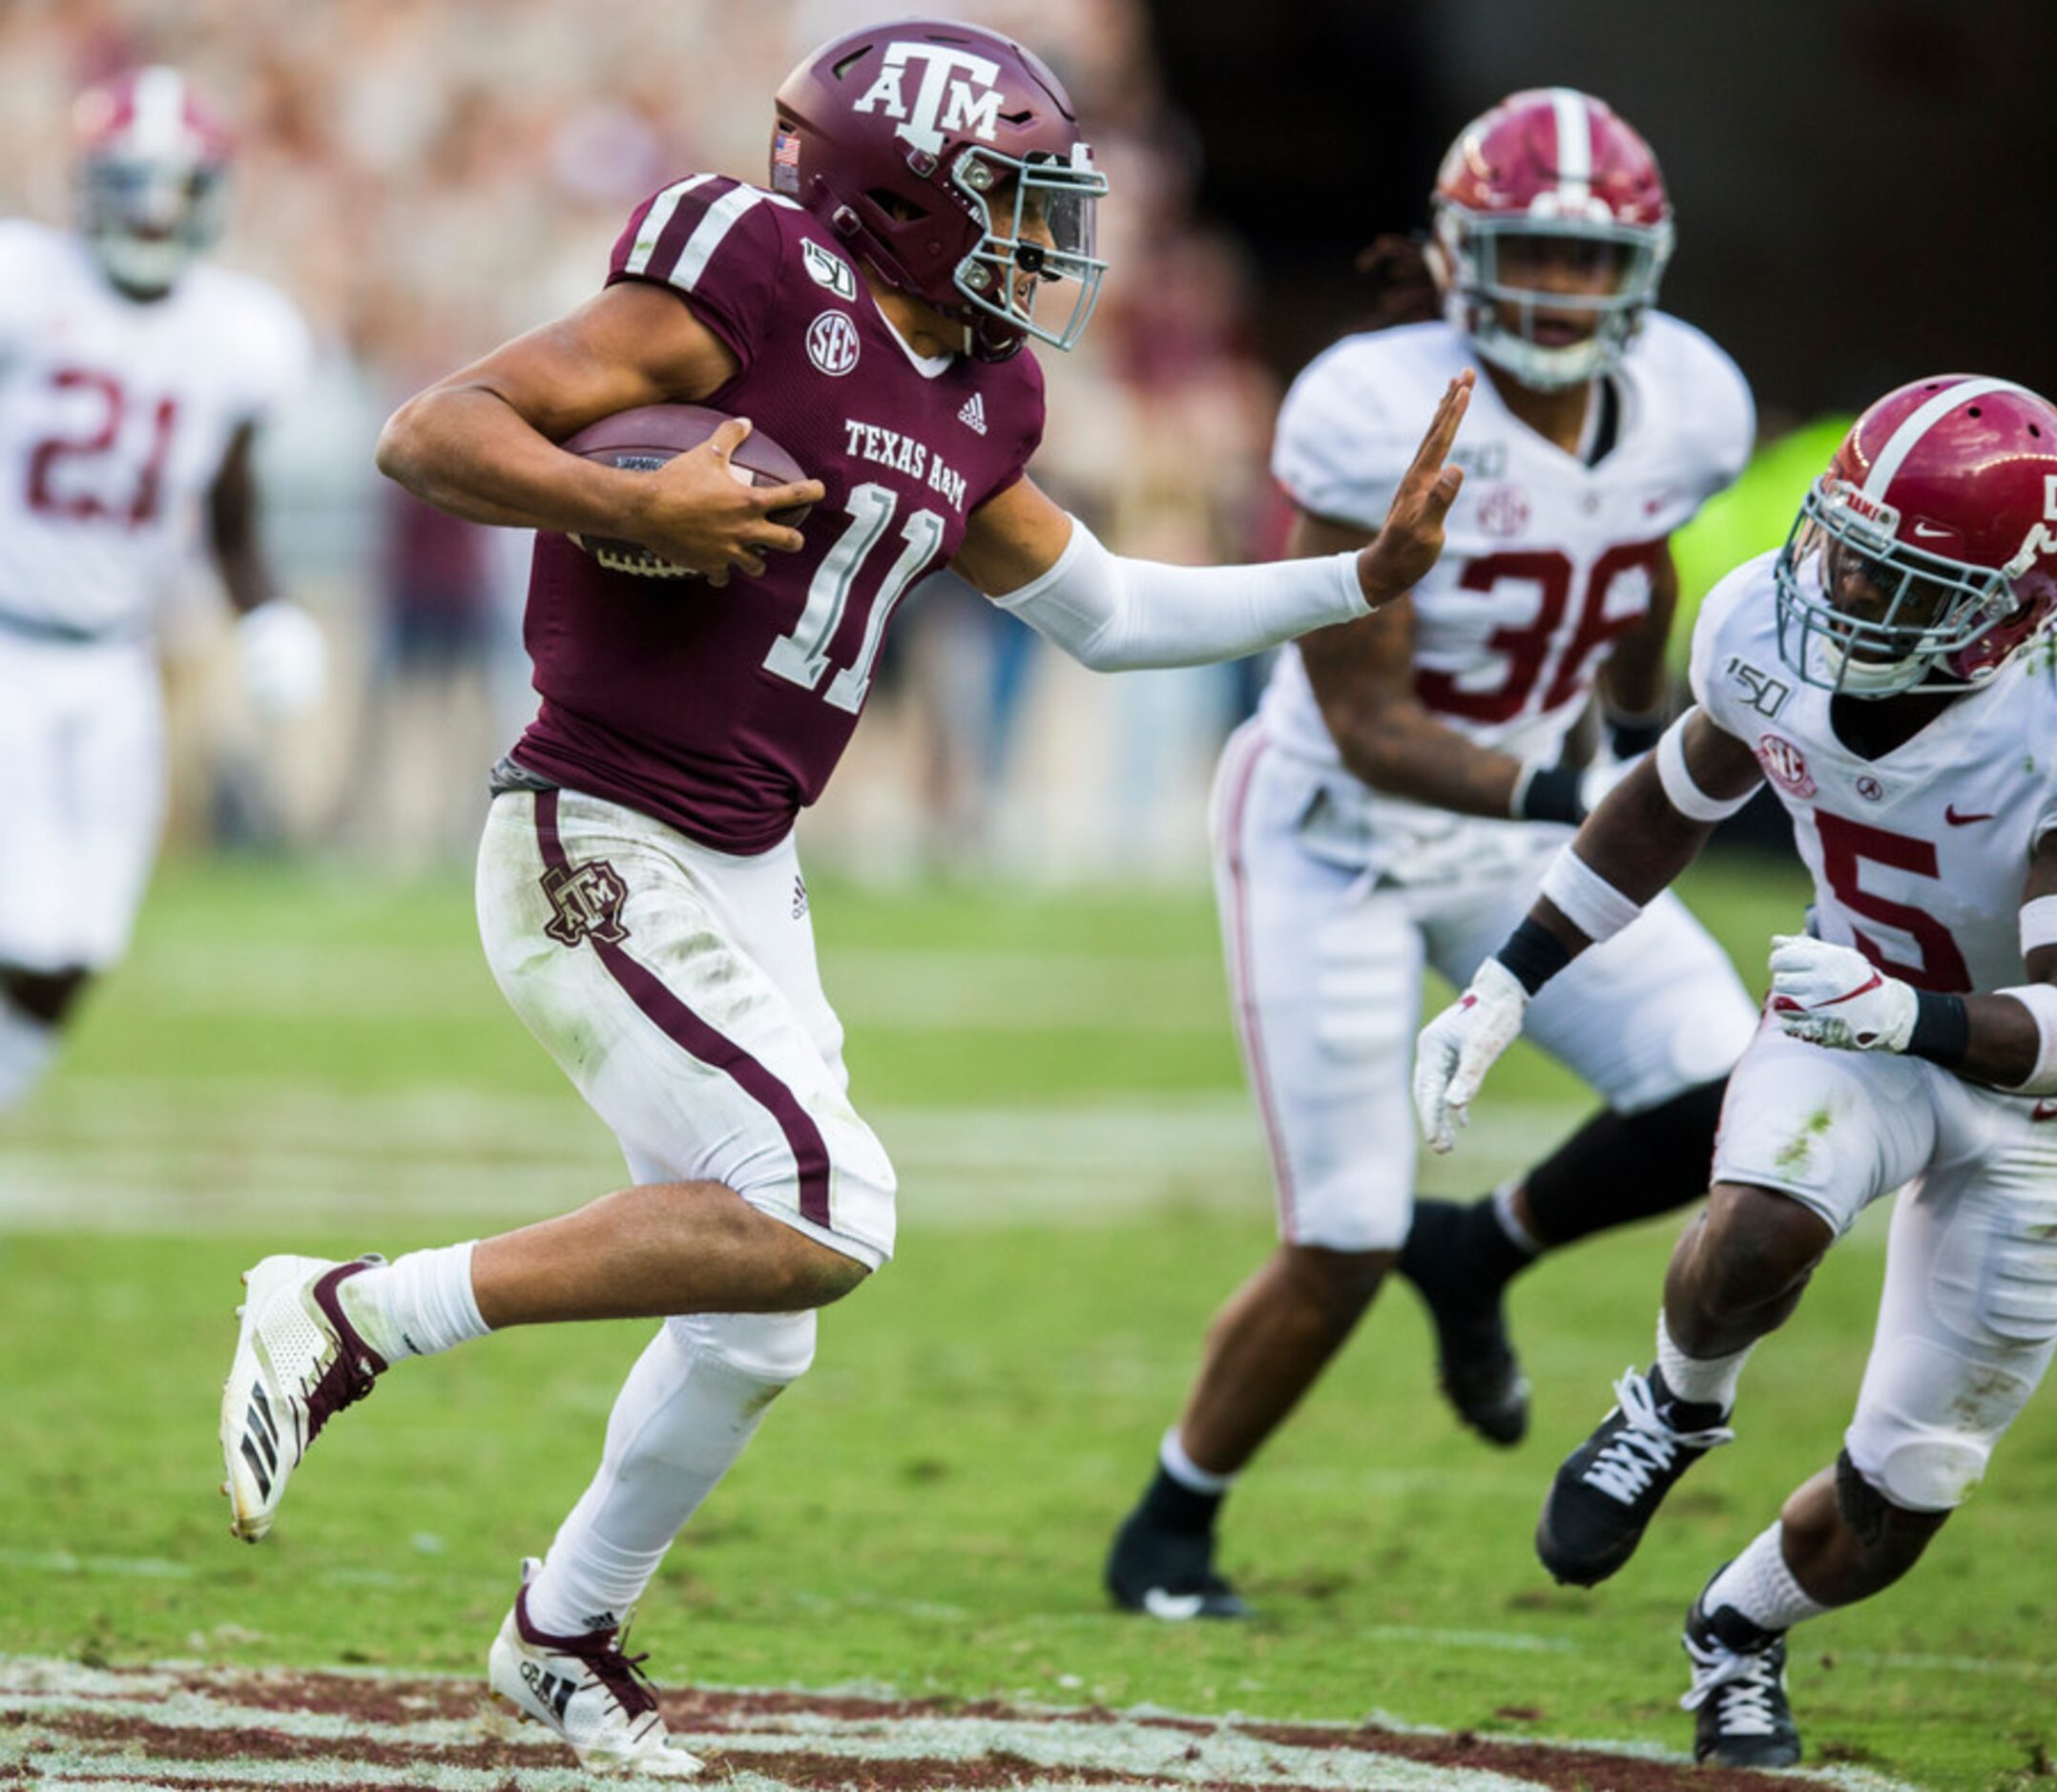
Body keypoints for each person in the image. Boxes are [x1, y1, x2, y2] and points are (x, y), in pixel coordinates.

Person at [217, 18, 1472, 1777]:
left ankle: (561, 1630)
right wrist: (617, 492)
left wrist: (1355, 579)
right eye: (1014, 202)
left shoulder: (984, 387)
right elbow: (435, 432)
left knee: (763, 1321)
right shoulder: (748, 278)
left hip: (744, 855)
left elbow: (1104, 613)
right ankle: (353, 1306)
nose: (1051, 243)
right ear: (896, 196)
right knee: (823, 1198)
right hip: (597, 825)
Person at [1411, 374, 2057, 1766]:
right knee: (1759, 1228)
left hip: (2027, 1089)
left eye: (1899, 583)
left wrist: (1915, 1014)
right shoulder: (1769, 624)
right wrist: (1511, 976)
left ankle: (1737, 1625)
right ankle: (1669, 1406)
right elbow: (1669, 798)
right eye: (1845, 544)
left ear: (2006, 612)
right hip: (1846, 1021)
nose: (1840, 591)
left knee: (1910, 1486)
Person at [1101, 87, 1759, 1621]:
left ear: (1643, 270)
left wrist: (1633, 717)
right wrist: (1599, 793)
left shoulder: (1692, 401)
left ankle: (1478, 1253)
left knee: (1734, 1096)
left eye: (1594, 263)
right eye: (1534, 254)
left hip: (1529, 810)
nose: (1564, 291)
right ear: (1463, 255)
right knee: (1337, 1237)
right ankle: (1169, 1525)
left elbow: (1640, 554)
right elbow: (1375, 719)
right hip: (1336, 825)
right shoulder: (1368, 400)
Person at [0, 67, 319, 1120]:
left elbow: (230, 509)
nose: (152, 210)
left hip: (114, 662)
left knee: (80, 942)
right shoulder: (22, 283)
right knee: (20, 922)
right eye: (132, 182)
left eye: (176, 187)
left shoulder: (239, 335)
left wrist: (263, 609)